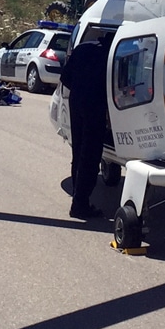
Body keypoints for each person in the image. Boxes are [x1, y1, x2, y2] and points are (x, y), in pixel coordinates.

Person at [58, 32, 111, 219]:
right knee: (90, 155)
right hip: (94, 105)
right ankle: (80, 204)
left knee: (79, 151)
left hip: (77, 101)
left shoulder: (83, 48)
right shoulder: (111, 55)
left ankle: (77, 196)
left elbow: (65, 78)